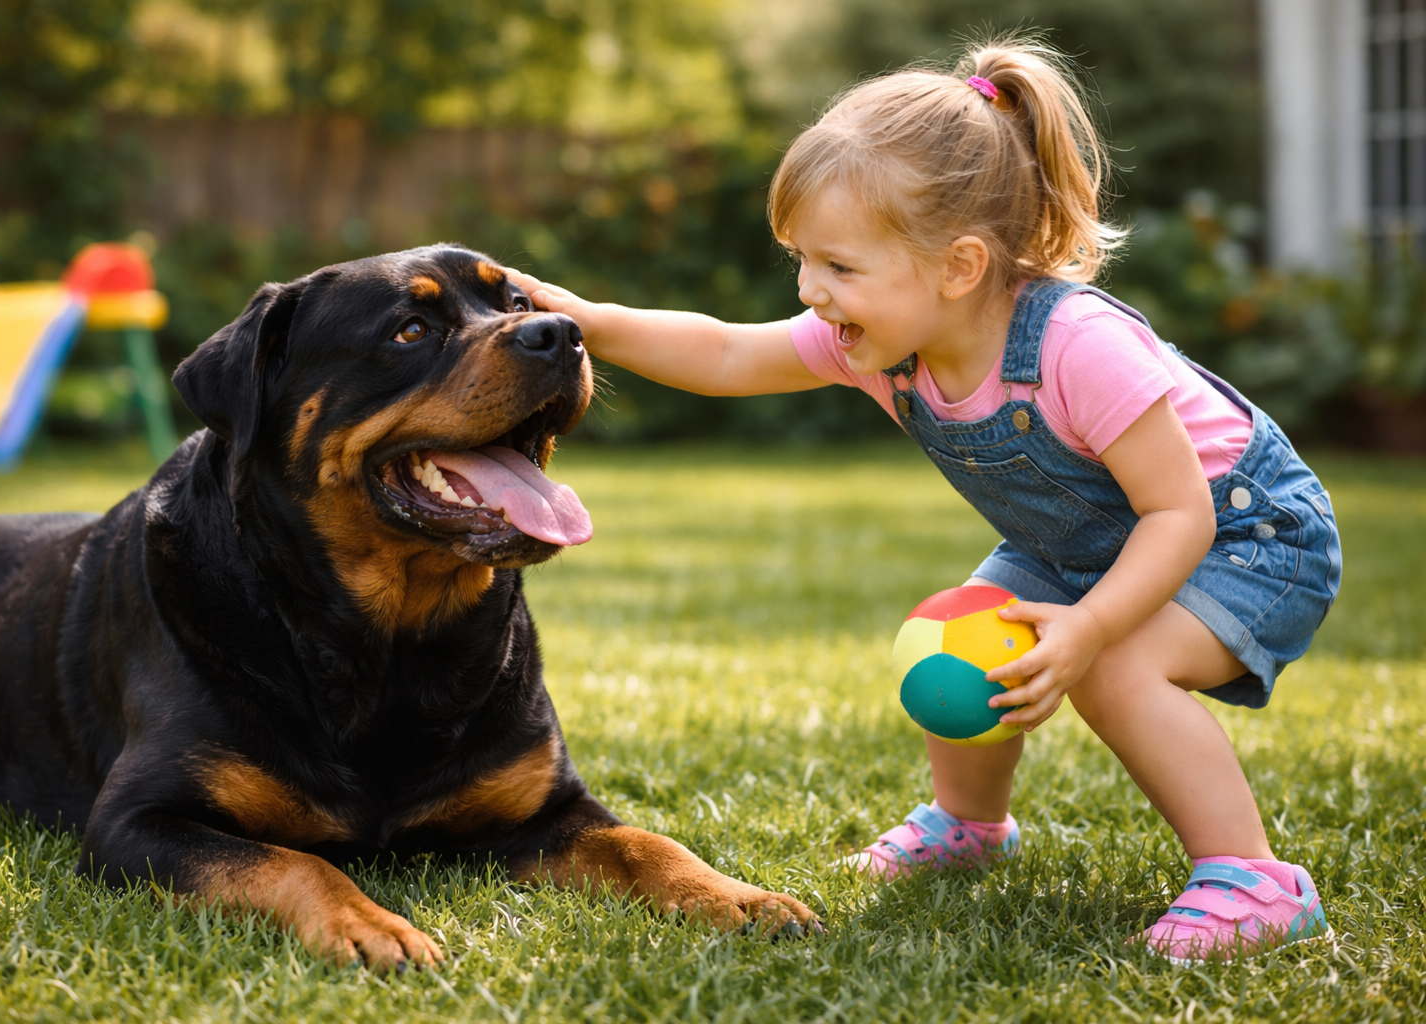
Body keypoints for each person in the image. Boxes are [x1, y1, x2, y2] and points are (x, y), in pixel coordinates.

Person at [507, 39, 1341, 963]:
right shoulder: (878, 339)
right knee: (963, 631)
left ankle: (1253, 878)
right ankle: (968, 825)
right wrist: (582, 319)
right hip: (1089, 538)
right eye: (802, 261)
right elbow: (724, 352)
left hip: (1244, 533)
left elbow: (1179, 513)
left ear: (959, 267)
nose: (810, 293)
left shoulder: (1078, 346)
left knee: (1112, 667)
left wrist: (1092, 625)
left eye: (839, 268)